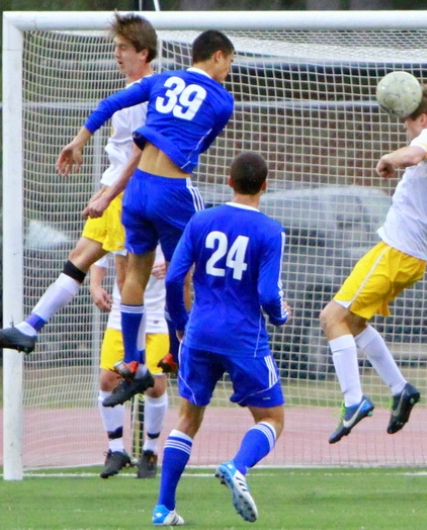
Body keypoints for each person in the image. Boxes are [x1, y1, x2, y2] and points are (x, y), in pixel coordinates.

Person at [55, 30, 236, 409]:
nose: (229, 71)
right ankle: (181, 351)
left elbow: (111, 103)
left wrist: (79, 141)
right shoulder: (222, 100)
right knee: (186, 273)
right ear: (218, 56)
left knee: (133, 278)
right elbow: (197, 143)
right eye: (229, 63)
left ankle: (135, 361)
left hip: (135, 192)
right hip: (174, 192)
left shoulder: (160, 80)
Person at [0, 13, 157, 355]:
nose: (117, 54)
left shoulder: (140, 96)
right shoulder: (135, 91)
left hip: (128, 196)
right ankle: (32, 328)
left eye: (124, 48)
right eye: (115, 47)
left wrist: (109, 194)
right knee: (94, 266)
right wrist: (106, 188)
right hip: (120, 192)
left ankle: (140, 363)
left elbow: (140, 157)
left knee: (122, 278)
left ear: (144, 53)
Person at [320, 83, 427, 444]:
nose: (405, 126)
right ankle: (401, 388)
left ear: (423, 118)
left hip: (395, 251)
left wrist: (390, 158)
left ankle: (353, 400)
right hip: (411, 256)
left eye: (407, 119)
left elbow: (415, 153)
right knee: (353, 321)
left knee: (331, 318)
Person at [151, 152, 289, 526]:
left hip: (198, 333)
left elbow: (174, 277)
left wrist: (180, 324)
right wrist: (280, 316)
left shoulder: (201, 221)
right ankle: (237, 466)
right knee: (272, 418)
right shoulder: (270, 230)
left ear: (229, 181)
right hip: (243, 338)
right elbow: (267, 295)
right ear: (264, 184)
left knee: (188, 417)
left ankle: (164, 509)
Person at [89, 248, 169, 479]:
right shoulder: (120, 220)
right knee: (107, 380)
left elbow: (192, 256)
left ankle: (150, 451)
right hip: (121, 314)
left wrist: (174, 266)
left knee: (155, 385)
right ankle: (116, 450)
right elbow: (100, 251)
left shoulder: (169, 220)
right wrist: (95, 285)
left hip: (157, 314)